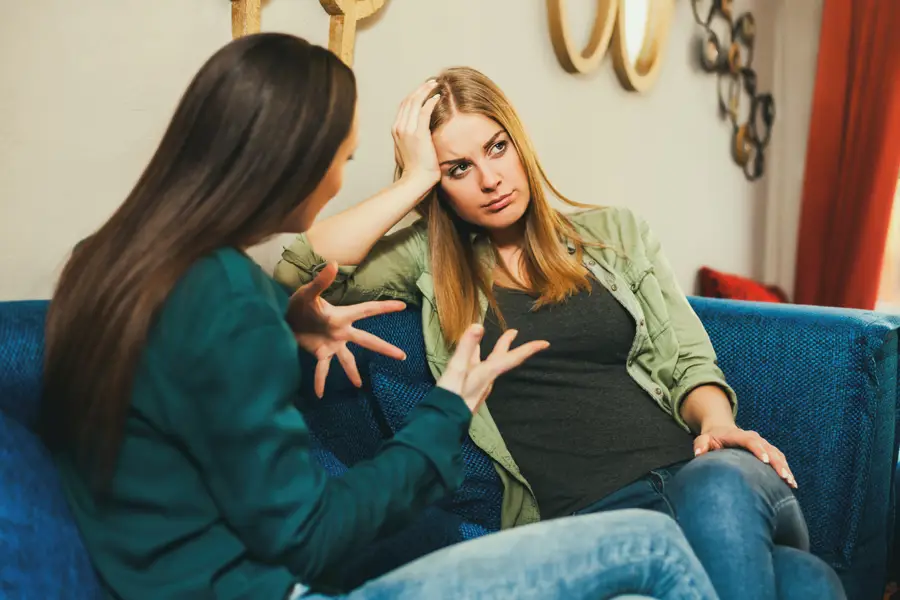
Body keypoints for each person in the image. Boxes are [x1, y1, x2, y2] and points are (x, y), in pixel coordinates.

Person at [39, 34, 720, 600]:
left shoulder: (104, 265)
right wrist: (450, 406)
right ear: (293, 163)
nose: (340, 180)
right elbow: (309, 533)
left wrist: (283, 323)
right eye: (343, 160)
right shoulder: (226, 296)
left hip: (175, 575)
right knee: (650, 540)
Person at [274, 67, 847, 600]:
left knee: (717, 494)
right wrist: (415, 179)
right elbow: (297, 268)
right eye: (458, 168)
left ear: (518, 143)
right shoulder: (429, 263)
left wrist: (719, 426)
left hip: (709, 478)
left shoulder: (614, 233)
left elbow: (688, 362)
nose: (490, 178)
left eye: (496, 148)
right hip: (594, 523)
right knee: (805, 579)